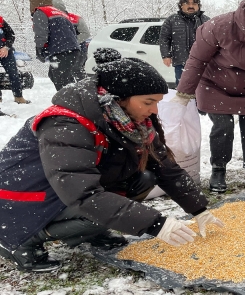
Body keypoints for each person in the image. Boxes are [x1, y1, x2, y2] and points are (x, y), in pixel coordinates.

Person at [0, 48, 224, 272]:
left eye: (157, 102)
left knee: (143, 179)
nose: (155, 110)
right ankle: (24, 240)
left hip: (61, 188)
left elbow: (164, 166)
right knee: (96, 212)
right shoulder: (65, 124)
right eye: (148, 102)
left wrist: (199, 210)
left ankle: (89, 232)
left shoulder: (129, 119)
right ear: (120, 99)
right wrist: (156, 224)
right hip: (23, 198)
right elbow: (83, 195)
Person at [172, 0, 245, 193]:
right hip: (214, 84)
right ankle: (219, 169)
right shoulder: (217, 27)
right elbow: (197, 61)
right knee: (223, 126)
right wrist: (184, 93)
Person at [28, 0, 82, 91]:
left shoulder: (40, 12)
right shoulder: (59, 12)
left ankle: (70, 103)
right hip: (73, 50)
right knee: (57, 76)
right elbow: (73, 31)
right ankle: (75, 98)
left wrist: (39, 49)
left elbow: (41, 32)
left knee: (61, 79)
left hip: (61, 51)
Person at [160, 0, 210, 85]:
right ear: (181, 5)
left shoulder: (206, 21)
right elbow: (164, 38)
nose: (191, 6)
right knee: (183, 89)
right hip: (181, 61)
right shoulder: (172, 20)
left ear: (198, 6)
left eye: (194, 4)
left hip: (204, 62)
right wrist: (166, 55)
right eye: (187, 3)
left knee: (204, 88)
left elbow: (214, 41)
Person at [52, 0, 91, 69]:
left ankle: (83, 80)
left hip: (78, 50)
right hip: (60, 52)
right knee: (55, 74)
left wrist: (71, 43)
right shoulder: (51, 21)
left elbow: (86, 34)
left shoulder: (76, 19)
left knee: (76, 70)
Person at [0, 15, 30, 104]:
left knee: (13, 74)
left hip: (6, 53)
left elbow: (11, 35)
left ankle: (18, 97)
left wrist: (6, 47)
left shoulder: (1, 21)